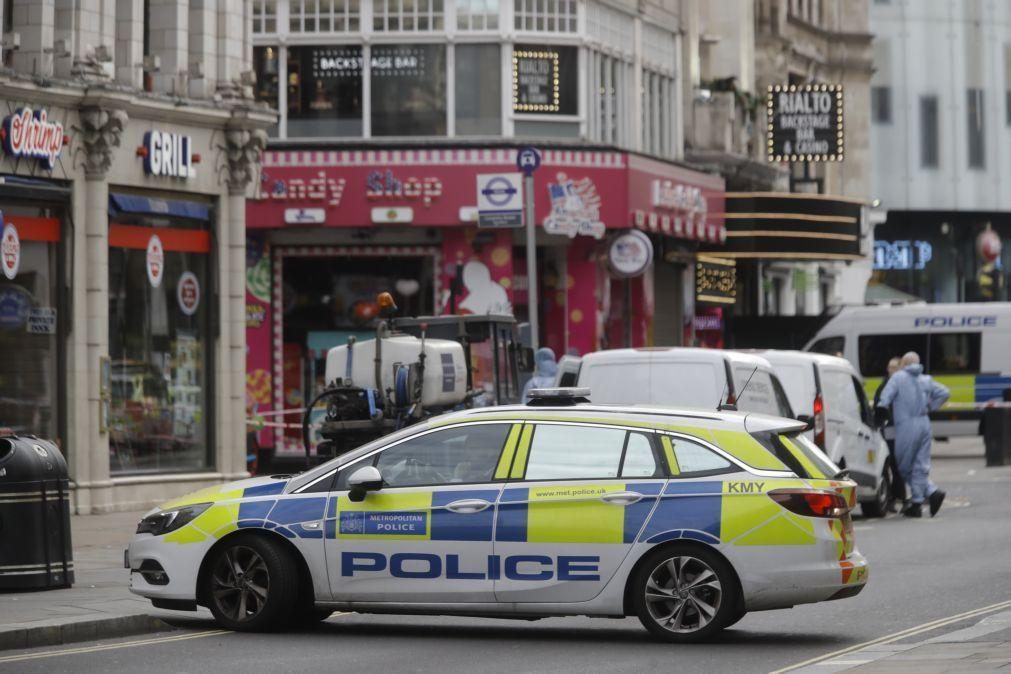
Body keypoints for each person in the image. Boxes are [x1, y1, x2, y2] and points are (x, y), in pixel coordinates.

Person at [876, 352, 950, 518]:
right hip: (924, 423)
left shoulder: (898, 378)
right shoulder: (925, 379)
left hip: (907, 425)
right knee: (921, 464)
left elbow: (885, 397)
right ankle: (919, 501)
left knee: (905, 465)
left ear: (903, 363)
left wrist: (882, 409)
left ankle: (929, 493)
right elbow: (945, 392)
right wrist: (931, 406)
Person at [873, 357, 906, 511]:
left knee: (900, 464)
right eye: (890, 367)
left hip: (902, 428)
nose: (892, 370)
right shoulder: (884, 386)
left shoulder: (902, 384)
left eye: (895, 367)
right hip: (889, 428)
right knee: (892, 463)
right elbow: (879, 407)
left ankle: (900, 495)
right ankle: (894, 497)